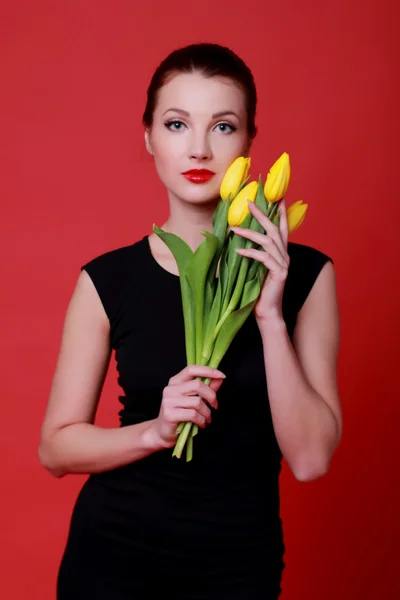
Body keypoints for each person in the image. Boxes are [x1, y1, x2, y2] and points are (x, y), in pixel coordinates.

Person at [39, 43, 342, 599]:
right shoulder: (108, 280)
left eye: (223, 127)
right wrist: (155, 431)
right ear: (149, 137)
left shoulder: (306, 276)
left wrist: (270, 314)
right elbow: (55, 450)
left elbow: (311, 461)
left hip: (236, 561)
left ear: (251, 141)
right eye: (177, 123)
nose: (199, 148)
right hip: (114, 554)